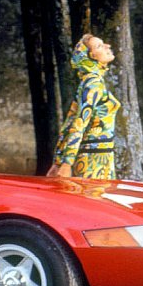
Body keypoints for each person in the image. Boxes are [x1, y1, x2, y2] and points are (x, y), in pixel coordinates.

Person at [47, 33, 121, 179]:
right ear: (92, 56)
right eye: (100, 46)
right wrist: (66, 164)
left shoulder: (90, 81)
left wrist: (58, 161)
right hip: (94, 160)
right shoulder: (93, 83)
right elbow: (79, 123)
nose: (108, 46)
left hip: (99, 156)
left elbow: (70, 120)